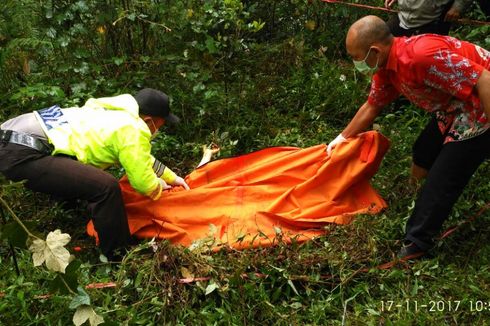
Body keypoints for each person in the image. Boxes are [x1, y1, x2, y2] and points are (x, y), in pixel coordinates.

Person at [327, 15, 490, 259]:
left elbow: (485, 79)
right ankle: (411, 192)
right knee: (424, 150)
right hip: (456, 105)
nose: (356, 63)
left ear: (374, 51)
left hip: (482, 105)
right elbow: (372, 105)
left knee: (444, 179)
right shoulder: (387, 68)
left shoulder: (419, 57)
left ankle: (416, 244)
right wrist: (341, 138)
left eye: (355, 57)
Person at [0, 88, 190, 260]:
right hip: (22, 150)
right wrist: (158, 187)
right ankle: (118, 254)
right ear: (149, 121)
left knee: (80, 174)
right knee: (106, 187)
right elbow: (142, 183)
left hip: (11, 132)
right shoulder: (134, 128)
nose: (158, 130)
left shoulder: (115, 112)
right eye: (160, 125)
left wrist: (172, 177)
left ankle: (70, 211)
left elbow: (142, 157)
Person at [384, 0, 472, 37]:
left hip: (433, 20)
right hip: (403, 17)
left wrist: (458, 7)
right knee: (381, 38)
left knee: (424, 61)